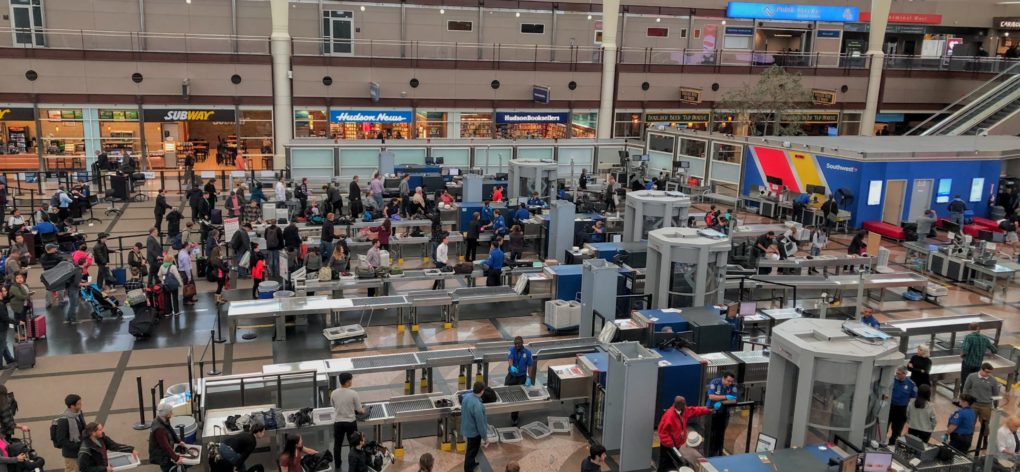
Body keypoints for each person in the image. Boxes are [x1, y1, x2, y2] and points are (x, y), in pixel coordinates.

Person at [657, 396, 713, 470]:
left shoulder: (684, 411)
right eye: (683, 404)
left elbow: (694, 411)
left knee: (675, 464)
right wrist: (671, 444)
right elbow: (662, 432)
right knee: (665, 464)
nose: (685, 405)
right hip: (668, 446)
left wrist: (707, 409)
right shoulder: (669, 416)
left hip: (677, 444)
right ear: (678, 405)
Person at [331, 372, 366, 469]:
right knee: (353, 444)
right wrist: (364, 410)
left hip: (338, 422)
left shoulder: (334, 393)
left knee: (337, 445)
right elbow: (360, 410)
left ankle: (337, 465)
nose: (351, 381)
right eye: (350, 379)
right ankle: (353, 464)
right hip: (350, 422)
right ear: (347, 382)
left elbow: (333, 405)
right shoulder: (353, 393)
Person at [963, 362, 999, 440]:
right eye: (986, 372)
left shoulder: (993, 380)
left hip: (986, 406)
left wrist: (996, 405)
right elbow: (966, 389)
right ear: (981, 369)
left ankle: (985, 440)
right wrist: (965, 402)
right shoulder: (971, 376)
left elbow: (996, 394)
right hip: (973, 405)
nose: (988, 374)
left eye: (989, 372)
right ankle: (968, 438)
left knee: (985, 425)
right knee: (970, 423)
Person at [706, 372, 738, 456]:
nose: (730, 383)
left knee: (720, 434)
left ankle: (717, 452)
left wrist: (720, 402)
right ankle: (708, 453)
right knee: (711, 433)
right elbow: (711, 396)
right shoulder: (715, 382)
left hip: (724, 413)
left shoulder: (732, 387)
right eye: (728, 381)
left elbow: (734, 400)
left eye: (731, 381)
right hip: (712, 412)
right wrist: (725, 397)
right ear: (723, 378)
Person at [960, 322, 997, 392]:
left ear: (969, 328)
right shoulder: (984, 338)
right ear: (978, 328)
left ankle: (964, 399)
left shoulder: (968, 337)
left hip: (968, 364)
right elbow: (994, 350)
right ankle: (973, 398)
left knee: (965, 382)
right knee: (974, 382)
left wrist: (961, 355)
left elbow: (965, 350)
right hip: (978, 364)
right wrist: (987, 354)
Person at [461, 382, 489, 472]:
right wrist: (485, 438)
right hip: (474, 433)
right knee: (471, 452)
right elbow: (480, 424)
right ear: (482, 391)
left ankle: (472, 463)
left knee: (471, 449)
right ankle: (468, 469)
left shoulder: (467, 396)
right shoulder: (477, 405)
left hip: (466, 427)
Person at [506, 337, 533, 426]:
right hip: (512, 376)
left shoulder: (527, 353)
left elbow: (530, 366)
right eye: (515, 344)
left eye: (518, 344)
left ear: (522, 343)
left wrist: (529, 377)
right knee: (506, 392)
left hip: (521, 377)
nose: (517, 345)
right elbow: (510, 359)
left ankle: (514, 417)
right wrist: (511, 366)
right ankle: (508, 407)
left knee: (518, 397)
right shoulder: (512, 349)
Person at [54, 394, 86, 472]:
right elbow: (61, 440)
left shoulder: (79, 414)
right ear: (72, 406)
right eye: (78, 404)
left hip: (80, 451)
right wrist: (77, 446)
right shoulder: (63, 420)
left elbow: (83, 428)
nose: (81, 405)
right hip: (71, 455)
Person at [888, 366, 917, 444]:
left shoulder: (911, 384)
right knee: (884, 425)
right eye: (896, 373)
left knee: (897, 429)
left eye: (899, 374)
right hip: (890, 407)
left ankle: (892, 443)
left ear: (905, 374)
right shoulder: (892, 381)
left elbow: (914, 397)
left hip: (901, 410)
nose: (897, 375)